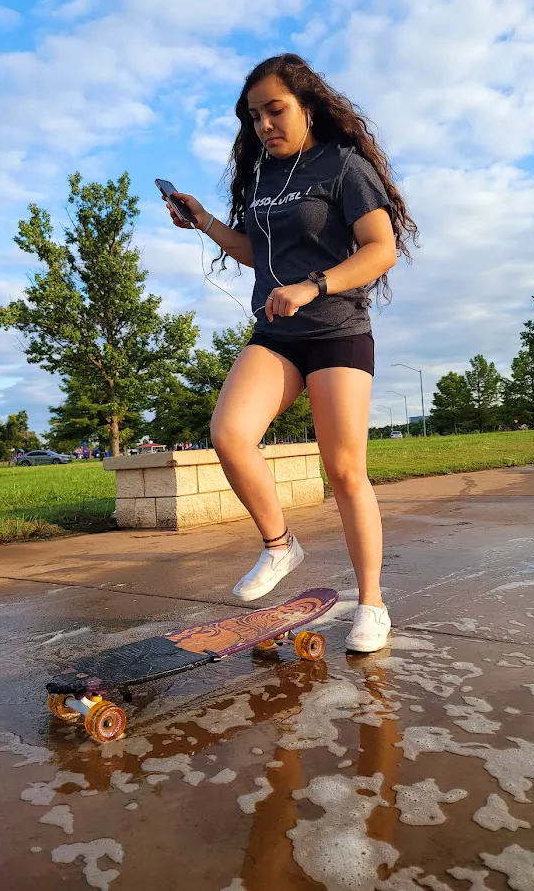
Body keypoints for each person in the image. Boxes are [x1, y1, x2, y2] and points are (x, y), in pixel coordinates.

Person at [165, 53, 418, 652]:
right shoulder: (260, 179)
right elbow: (258, 253)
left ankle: (372, 604)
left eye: (275, 111)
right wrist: (203, 221)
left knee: (345, 470)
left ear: (308, 107)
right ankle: (281, 545)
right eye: (254, 117)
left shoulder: (344, 166)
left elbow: (380, 248)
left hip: (336, 328)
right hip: (277, 332)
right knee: (229, 433)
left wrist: (315, 284)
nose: (264, 126)